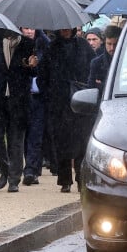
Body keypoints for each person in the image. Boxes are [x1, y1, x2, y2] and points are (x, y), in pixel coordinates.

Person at [38, 27, 95, 193]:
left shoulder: (83, 46)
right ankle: (64, 179)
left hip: (81, 102)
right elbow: (43, 76)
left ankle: (80, 176)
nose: (64, 31)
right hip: (58, 104)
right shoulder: (51, 48)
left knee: (81, 141)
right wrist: (50, 93)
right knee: (62, 142)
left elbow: (91, 70)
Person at [0, 32, 38, 193]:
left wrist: (33, 66)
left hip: (19, 100)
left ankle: (14, 179)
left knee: (16, 141)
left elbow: (34, 73)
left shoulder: (28, 44)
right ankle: (4, 169)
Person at [21, 27, 50, 186]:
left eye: (32, 28)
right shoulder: (20, 46)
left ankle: (31, 169)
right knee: (24, 134)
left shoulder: (44, 44)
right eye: (26, 28)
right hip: (24, 96)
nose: (29, 31)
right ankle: (30, 167)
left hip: (39, 96)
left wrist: (36, 65)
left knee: (36, 134)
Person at [87, 25, 121, 90]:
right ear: (104, 42)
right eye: (109, 44)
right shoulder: (96, 63)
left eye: (115, 44)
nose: (112, 48)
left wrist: (101, 84)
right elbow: (90, 86)